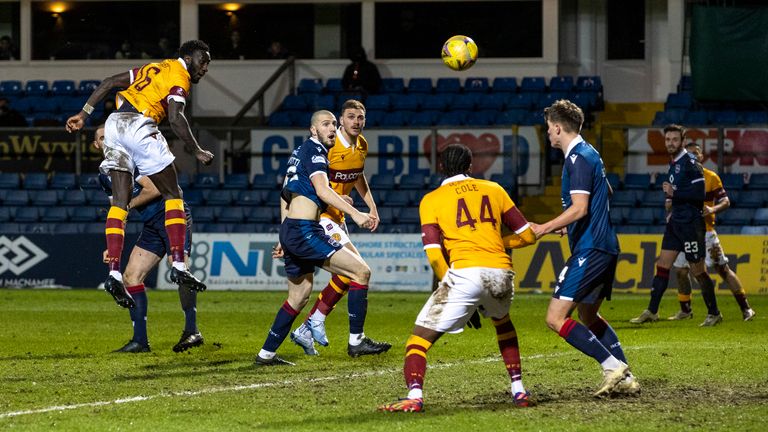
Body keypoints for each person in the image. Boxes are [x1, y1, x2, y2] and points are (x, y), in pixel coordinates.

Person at [378, 144, 537, 413]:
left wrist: (450, 284)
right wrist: (495, 243)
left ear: (441, 167)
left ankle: (414, 397)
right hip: (501, 273)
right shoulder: (494, 189)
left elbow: (434, 255)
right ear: (470, 166)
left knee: (418, 341)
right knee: (502, 322)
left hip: (465, 274)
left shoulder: (432, 199)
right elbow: (527, 235)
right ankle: (519, 390)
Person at [65, 39, 214, 309]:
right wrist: (197, 150)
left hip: (113, 125)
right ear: (189, 59)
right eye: (203, 62)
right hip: (139, 126)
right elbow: (176, 117)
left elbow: (110, 82)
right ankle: (179, 264)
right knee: (173, 193)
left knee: (119, 203)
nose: (205, 68)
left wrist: (84, 115)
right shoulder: (180, 76)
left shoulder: (154, 67)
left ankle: (113, 272)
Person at [531, 99, 639, 397]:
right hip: (604, 245)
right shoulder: (591, 153)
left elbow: (580, 208)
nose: (548, 134)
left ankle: (610, 365)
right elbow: (605, 192)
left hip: (590, 250)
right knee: (589, 317)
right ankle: (625, 375)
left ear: (556, 127)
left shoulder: (577, 158)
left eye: (548, 129)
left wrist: (544, 227)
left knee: (555, 318)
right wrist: (573, 225)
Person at [254, 110, 377, 366]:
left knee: (299, 296)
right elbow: (321, 188)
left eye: (333, 124)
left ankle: (266, 354)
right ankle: (356, 340)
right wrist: (356, 214)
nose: (332, 128)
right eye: (325, 124)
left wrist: (282, 232)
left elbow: (286, 194)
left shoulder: (299, 153)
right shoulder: (317, 152)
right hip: (305, 230)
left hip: (292, 229)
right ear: (313, 130)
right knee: (360, 272)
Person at [289, 100, 391, 357]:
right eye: (350, 117)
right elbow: (311, 181)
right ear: (341, 121)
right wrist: (336, 200)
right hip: (321, 217)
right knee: (359, 271)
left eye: (360, 117)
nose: (356, 121)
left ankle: (308, 326)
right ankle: (353, 339)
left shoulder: (362, 145)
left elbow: (357, 175)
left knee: (349, 275)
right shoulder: (329, 148)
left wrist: (372, 206)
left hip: (339, 218)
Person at [93, 125, 203, 353]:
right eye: (102, 138)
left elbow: (152, 189)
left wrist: (128, 205)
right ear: (96, 145)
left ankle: (192, 330)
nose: (107, 141)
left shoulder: (132, 160)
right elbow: (116, 209)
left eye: (109, 137)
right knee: (131, 276)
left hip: (172, 215)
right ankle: (140, 341)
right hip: (152, 225)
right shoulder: (105, 172)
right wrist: (111, 246)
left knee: (180, 270)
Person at [630, 124, 722, 327]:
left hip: (691, 224)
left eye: (674, 139)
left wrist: (674, 193)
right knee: (662, 266)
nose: (670, 143)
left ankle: (714, 313)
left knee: (698, 271)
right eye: (667, 139)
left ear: (682, 140)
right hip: (676, 223)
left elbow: (699, 196)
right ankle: (652, 311)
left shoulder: (691, 162)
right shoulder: (674, 163)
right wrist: (671, 210)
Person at [668, 142, 756, 322]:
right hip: (686, 231)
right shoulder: (679, 177)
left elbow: (726, 201)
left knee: (722, 269)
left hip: (706, 232)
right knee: (680, 270)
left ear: (701, 157)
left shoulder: (711, 177)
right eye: (688, 153)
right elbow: (670, 202)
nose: (691, 157)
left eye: (695, 153)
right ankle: (685, 310)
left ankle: (746, 308)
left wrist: (712, 209)